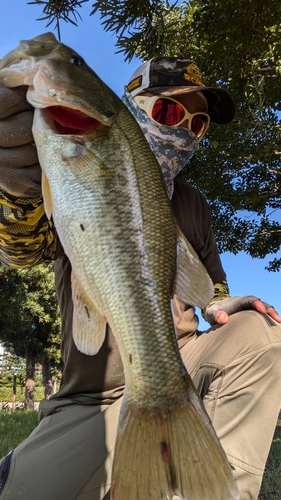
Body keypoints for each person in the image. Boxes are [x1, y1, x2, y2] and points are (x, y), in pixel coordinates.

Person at [0, 56, 280, 500]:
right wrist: (17, 189)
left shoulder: (194, 205)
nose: (184, 131)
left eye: (198, 123)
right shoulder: (62, 164)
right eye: (170, 112)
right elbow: (21, 251)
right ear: (130, 109)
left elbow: (211, 287)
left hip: (180, 364)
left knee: (262, 334)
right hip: (93, 395)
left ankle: (205, 489)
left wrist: (221, 304)